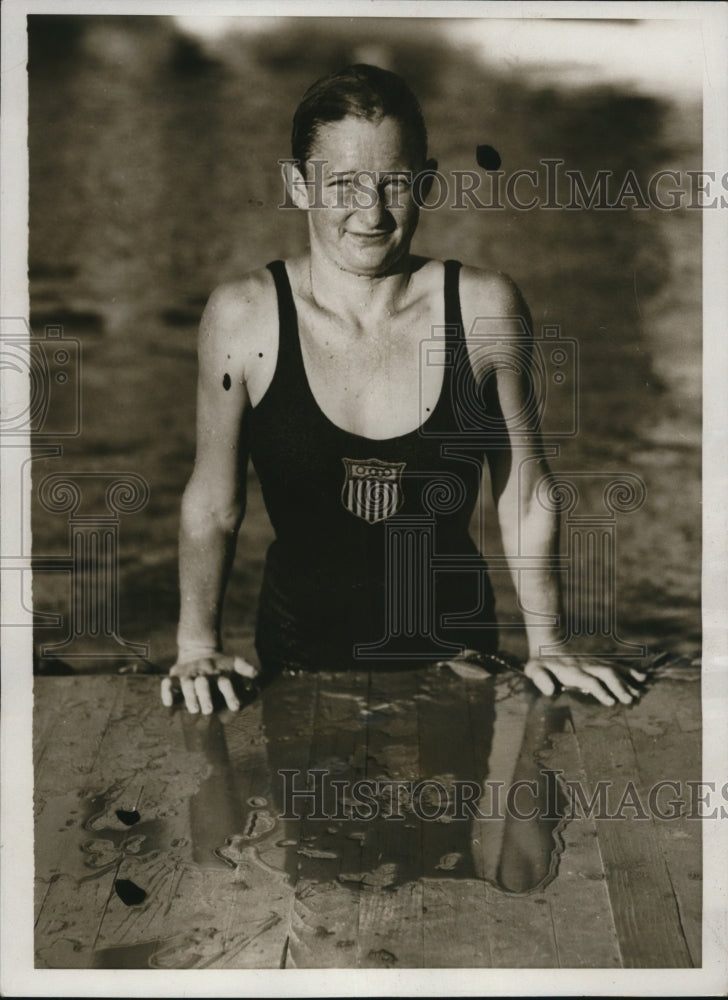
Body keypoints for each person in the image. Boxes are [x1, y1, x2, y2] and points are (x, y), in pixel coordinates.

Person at [160, 64, 645, 715]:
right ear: (298, 186)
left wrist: (550, 643)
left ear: (427, 182)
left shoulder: (482, 310)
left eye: (394, 183)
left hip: (459, 664)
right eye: (344, 185)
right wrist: (196, 646)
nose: (372, 211)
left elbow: (525, 491)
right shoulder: (243, 316)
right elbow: (214, 502)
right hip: (295, 666)